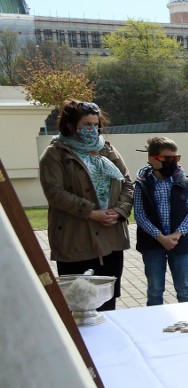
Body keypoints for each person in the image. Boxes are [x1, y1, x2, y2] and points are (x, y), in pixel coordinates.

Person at [38, 100, 133, 311]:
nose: (93, 129)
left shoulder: (107, 150)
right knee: (80, 305)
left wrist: (119, 212)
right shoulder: (55, 154)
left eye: (95, 124)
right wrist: (91, 212)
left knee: (108, 302)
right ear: (71, 126)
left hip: (111, 239)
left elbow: (127, 183)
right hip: (76, 241)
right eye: (86, 124)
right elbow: (55, 193)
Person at [133, 136, 188, 306]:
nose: (173, 162)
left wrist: (177, 235)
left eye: (176, 158)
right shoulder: (142, 184)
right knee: (155, 290)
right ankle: (154, 328)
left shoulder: (183, 182)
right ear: (152, 159)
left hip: (180, 242)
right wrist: (161, 237)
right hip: (152, 244)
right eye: (168, 159)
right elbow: (140, 215)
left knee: (184, 288)